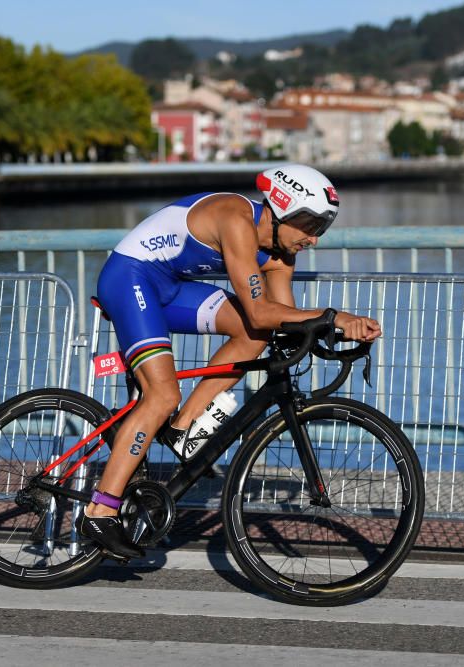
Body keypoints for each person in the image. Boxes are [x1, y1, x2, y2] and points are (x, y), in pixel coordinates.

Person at [78, 164, 382, 559]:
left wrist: (334, 329)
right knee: (161, 395)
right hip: (130, 278)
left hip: (168, 288)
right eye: (309, 224)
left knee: (252, 335)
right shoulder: (235, 218)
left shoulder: (280, 253)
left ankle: (182, 427)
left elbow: (280, 319)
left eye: (321, 228)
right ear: (281, 208)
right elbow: (259, 310)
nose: (313, 238)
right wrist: (333, 315)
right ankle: (101, 511)